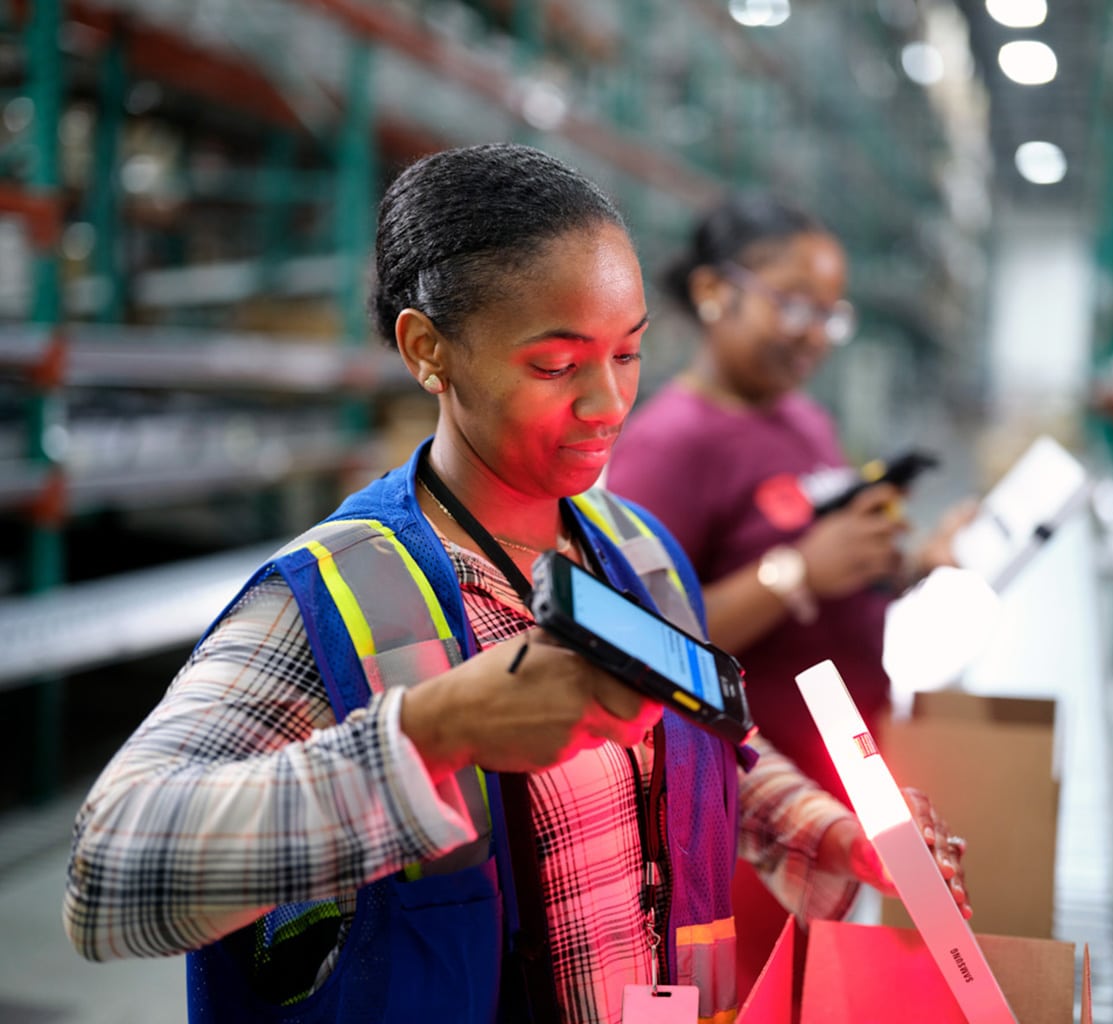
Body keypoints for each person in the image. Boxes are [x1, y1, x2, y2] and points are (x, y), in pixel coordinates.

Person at [63, 144, 969, 1024]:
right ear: (429, 351)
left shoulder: (637, 552)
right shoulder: (335, 599)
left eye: (628, 354)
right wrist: (431, 733)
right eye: (556, 364)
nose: (609, 403)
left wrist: (831, 832)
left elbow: (707, 748)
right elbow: (108, 872)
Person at [606, 192, 975, 804]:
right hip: (746, 798)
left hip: (841, 759)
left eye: (831, 315)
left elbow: (833, 574)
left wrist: (906, 565)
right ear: (713, 292)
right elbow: (639, 641)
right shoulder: (668, 446)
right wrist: (796, 571)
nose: (817, 337)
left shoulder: (805, 419)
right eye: (796, 304)